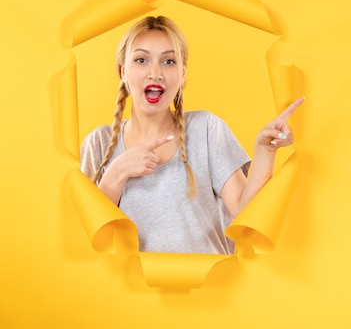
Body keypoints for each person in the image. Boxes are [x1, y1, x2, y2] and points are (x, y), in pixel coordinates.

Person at [80, 16, 304, 255]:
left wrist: (265, 151)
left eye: (168, 61)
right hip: (130, 291)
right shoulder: (99, 144)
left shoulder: (207, 130)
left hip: (210, 288)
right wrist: (117, 172)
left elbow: (245, 213)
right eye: (141, 60)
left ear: (183, 73)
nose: (155, 73)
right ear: (123, 71)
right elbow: (89, 242)